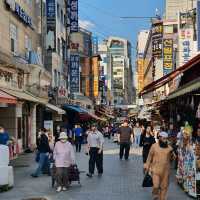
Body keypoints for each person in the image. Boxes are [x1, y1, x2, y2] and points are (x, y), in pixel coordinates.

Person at [144, 131, 175, 200]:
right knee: (156, 186)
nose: (165, 140)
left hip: (165, 172)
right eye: (164, 138)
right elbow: (149, 157)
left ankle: (162, 198)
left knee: (164, 187)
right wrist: (146, 166)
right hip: (155, 170)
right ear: (160, 138)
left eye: (166, 139)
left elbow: (173, 159)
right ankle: (155, 194)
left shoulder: (169, 148)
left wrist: (172, 155)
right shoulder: (154, 146)